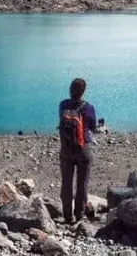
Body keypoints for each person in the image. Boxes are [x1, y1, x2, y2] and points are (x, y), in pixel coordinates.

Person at [59, 77, 97, 224]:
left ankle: (67, 216)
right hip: (83, 148)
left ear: (70, 90)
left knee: (66, 183)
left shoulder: (63, 105)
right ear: (83, 92)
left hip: (66, 148)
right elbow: (93, 126)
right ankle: (79, 215)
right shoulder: (89, 107)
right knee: (82, 182)